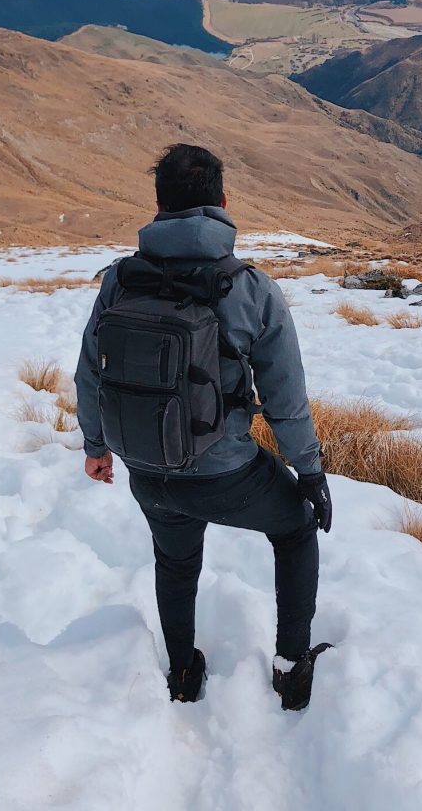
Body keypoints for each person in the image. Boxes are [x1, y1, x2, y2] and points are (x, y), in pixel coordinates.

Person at [76, 143, 332, 710]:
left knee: (175, 561)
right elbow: (285, 397)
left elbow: (89, 372)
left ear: (160, 205)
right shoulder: (251, 289)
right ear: (221, 202)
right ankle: (291, 668)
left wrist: (97, 447)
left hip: (146, 467)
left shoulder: (120, 280)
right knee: (293, 531)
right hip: (226, 475)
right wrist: (309, 472)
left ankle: (184, 671)